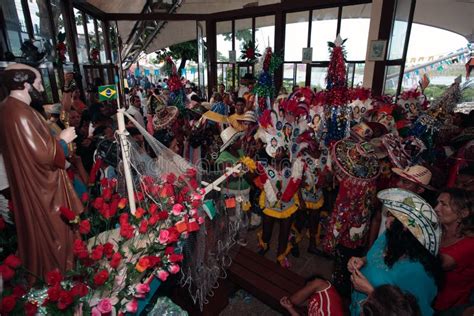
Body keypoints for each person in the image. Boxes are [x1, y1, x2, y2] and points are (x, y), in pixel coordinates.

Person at [0, 63, 83, 282]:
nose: (41, 86)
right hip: (43, 191)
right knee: (55, 237)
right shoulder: (20, 113)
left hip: (33, 186)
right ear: (25, 84)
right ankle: (62, 281)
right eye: (37, 81)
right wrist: (62, 143)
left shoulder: (9, 109)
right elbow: (43, 155)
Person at [349, 188, 441, 316]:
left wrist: (371, 292)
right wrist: (361, 261)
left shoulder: (418, 273)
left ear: (405, 228)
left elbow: (412, 313)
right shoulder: (391, 236)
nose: (387, 219)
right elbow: (373, 257)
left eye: (392, 216)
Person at [434, 188, 474, 315]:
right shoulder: (438, 230)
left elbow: (438, 264)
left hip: (448, 308)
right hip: (429, 297)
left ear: (463, 213)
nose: (436, 208)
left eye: (443, 205)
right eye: (437, 203)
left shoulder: (470, 243)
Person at [280, 276, 344, 316]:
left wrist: (290, 308)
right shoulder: (322, 287)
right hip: (321, 289)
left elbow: (294, 301)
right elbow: (319, 283)